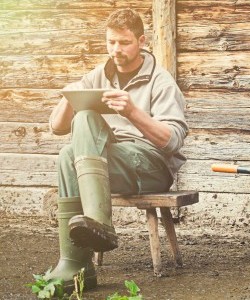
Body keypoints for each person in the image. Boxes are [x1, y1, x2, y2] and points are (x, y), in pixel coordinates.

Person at [45, 8, 188, 291]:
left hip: (150, 164)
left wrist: (133, 112)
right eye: (111, 42)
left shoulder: (160, 81)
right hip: (107, 163)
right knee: (66, 153)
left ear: (142, 41)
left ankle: (100, 224)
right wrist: (68, 97)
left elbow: (172, 141)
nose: (116, 49)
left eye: (124, 42)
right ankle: (75, 264)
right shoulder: (98, 75)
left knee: (84, 124)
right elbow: (57, 127)